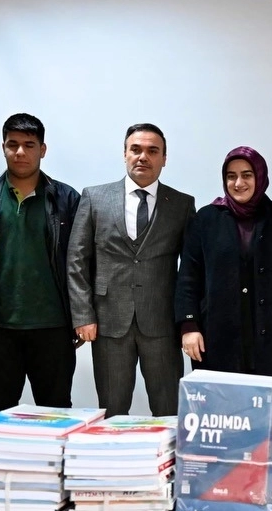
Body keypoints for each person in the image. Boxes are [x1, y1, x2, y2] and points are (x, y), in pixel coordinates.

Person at [0, 113, 81, 416]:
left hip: (53, 327)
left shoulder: (66, 199)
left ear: (42, 150)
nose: (20, 152)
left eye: (29, 145)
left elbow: (81, 263)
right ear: (3, 148)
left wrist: (82, 317)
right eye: (13, 144)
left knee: (57, 412)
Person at [67, 123, 196, 418]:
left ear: (164, 158)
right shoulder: (94, 198)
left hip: (162, 323)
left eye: (153, 151)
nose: (143, 157)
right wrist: (83, 315)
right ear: (124, 154)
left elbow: (191, 269)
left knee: (168, 411)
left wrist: (189, 321)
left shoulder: (181, 204)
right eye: (135, 149)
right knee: (112, 411)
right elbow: (76, 260)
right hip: (108, 322)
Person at [176, 146, 272, 377]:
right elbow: (189, 276)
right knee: (217, 399)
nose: (238, 183)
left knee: (264, 398)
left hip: (270, 337)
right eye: (231, 176)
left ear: (260, 176)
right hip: (214, 337)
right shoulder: (205, 219)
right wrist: (189, 326)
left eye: (247, 175)